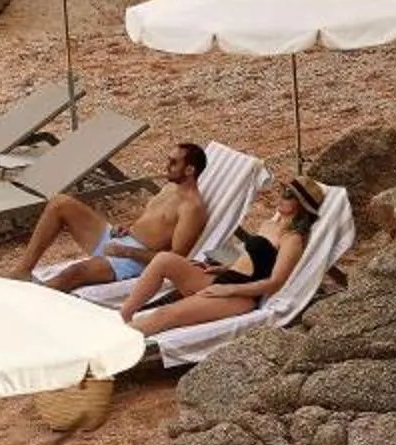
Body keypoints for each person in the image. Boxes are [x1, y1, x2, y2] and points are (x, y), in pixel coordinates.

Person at [120, 175, 326, 335]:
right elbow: (251, 258)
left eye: (289, 194)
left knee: (165, 314)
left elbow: (275, 282)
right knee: (163, 259)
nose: (281, 196)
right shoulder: (268, 224)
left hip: (240, 296)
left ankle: (112, 349)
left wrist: (228, 290)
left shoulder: (292, 239)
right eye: (283, 190)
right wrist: (224, 268)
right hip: (220, 278)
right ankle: (125, 315)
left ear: (302, 205)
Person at [17, 143, 210, 293]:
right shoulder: (170, 188)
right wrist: (128, 227)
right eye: (168, 160)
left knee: (74, 273)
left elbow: (175, 258)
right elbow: (152, 222)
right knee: (60, 203)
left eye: (173, 163)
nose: (166, 166)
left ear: (190, 170)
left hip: (134, 259)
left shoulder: (192, 208)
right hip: (118, 241)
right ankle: (23, 270)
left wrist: (127, 252)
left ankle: (30, 299)